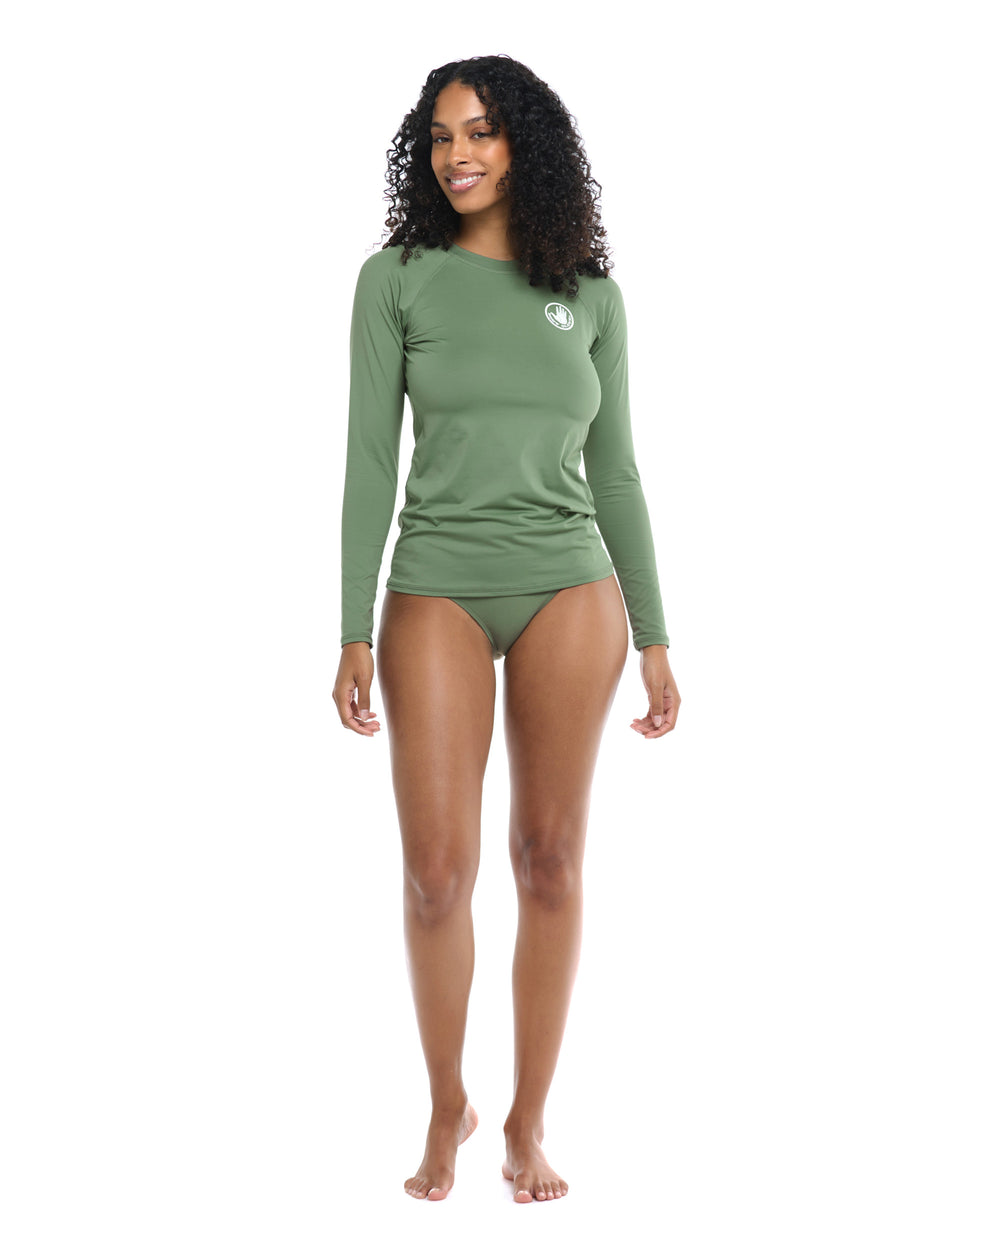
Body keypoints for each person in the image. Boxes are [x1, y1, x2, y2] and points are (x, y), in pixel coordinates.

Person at [332, 53, 681, 1204]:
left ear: (525, 143)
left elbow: (616, 470)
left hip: (568, 587)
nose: (458, 155)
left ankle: (528, 1120)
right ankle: (449, 1100)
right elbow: (369, 461)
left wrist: (655, 633)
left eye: (480, 131)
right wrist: (351, 624)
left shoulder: (592, 297)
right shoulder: (396, 280)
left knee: (550, 857)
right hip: (435, 580)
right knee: (437, 872)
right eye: (440, 137)